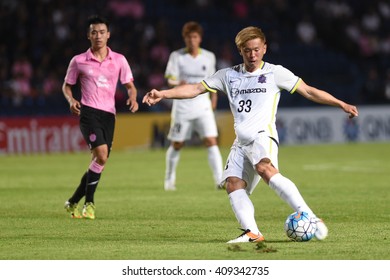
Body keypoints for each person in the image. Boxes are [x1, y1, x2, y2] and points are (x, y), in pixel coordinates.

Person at [143, 26, 359, 242]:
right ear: (240, 50)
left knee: (265, 167)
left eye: (256, 49)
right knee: (233, 184)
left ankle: (311, 217)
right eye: (247, 50)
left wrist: (340, 103)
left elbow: (309, 91)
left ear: (264, 48)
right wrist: (163, 93)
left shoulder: (276, 73)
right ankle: (252, 233)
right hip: (241, 142)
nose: (252, 55)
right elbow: (194, 89)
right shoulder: (228, 75)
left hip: (262, 135)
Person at [62, 15, 139, 219]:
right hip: (88, 113)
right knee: (102, 155)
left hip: (109, 115)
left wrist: (133, 98)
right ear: (88, 36)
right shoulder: (78, 61)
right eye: (94, 32)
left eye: (102, 32)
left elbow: (130, 86)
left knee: (98, 161)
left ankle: (72, 202)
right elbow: (67, 85)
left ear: (108, 35)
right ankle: (89, 203)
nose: (98, 36)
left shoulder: (119, 60)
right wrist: (71, 100)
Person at [163, 21, 223, 191]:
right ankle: (169, 179)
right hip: (182, 106)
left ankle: (219, 179)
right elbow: (169, 79)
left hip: (203, 105)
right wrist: (177, 82)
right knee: (177, 144)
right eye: (189, 37)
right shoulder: (177, 56)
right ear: (185, 39)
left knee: (211, 140)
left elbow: (213, 80)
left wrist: (214, 98)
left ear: (200, 39)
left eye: (195, 37)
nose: (192, 40)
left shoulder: (209, 57)